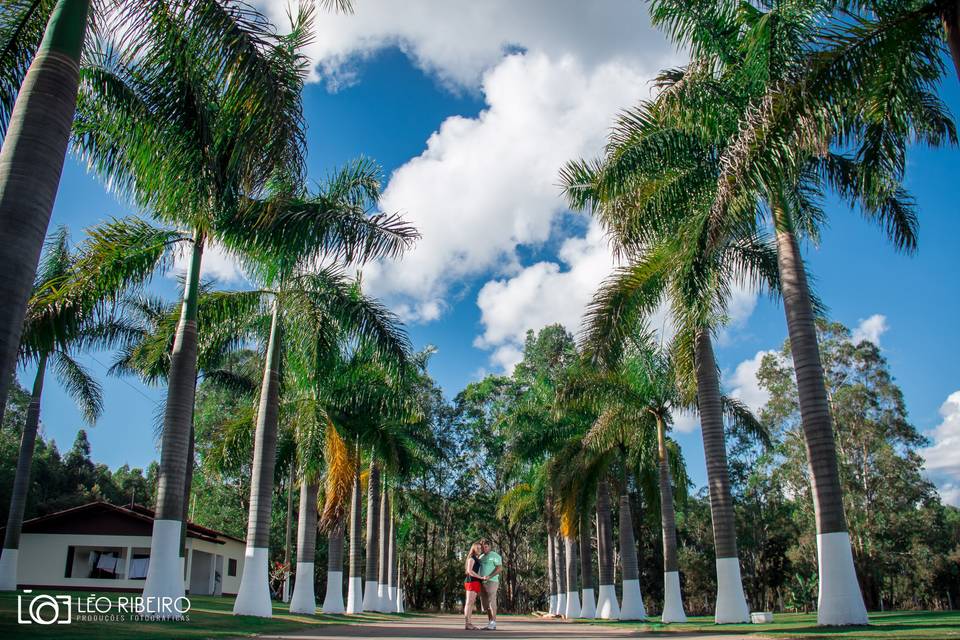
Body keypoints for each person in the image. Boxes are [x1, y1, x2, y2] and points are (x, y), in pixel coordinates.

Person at [478, 539, 503, 631]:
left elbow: (499, 568)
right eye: (483, 547)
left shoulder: (495, 556)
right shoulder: (481, 557)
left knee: (491, 601)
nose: (484, 549)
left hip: (492, 581)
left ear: (490, 546)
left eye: (486, 546)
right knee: (486, 604)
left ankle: (494, 623)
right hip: (482, 582)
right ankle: (490, 623)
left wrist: (490, 576)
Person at [463, 542, 485, 630]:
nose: (479, 550)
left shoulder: (477, 558)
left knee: (471, 603)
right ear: (474, 549)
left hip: (476, 582)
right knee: (469, 603)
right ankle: (468, 623)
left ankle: (469, 623)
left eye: (480, 548)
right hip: (471, 582)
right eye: (478, 548)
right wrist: (481, 577)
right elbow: (469, 571)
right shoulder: (472, 558)